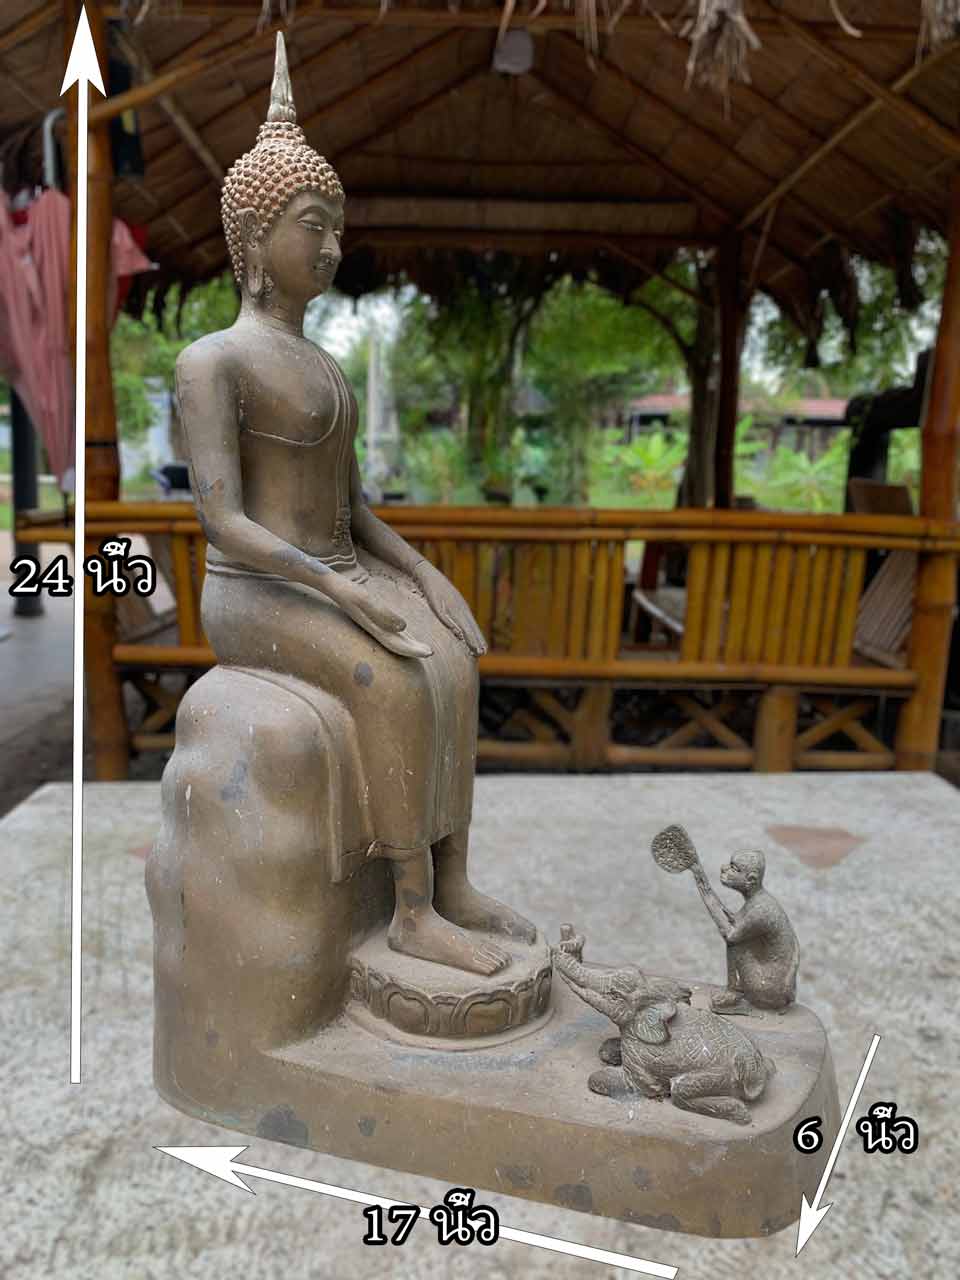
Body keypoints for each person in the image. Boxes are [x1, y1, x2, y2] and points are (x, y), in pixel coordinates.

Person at [175, 35, 535, 977]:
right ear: (255, 237)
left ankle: (453, 881)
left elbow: (355, 510)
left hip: (336, 574)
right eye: (312, 225)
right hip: (256, 591)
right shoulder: (213, 361)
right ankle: (411, 910)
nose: (332, 247)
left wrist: (423, 576)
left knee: (453, 657)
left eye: (337, 228)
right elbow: (224, 521)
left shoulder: (323, 364)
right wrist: (343, 594)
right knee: (392, 677)